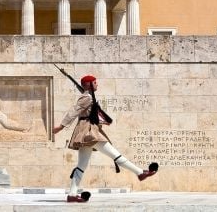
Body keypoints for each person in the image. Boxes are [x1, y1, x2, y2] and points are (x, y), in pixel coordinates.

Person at [53, 74, 157, 203]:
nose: (97, 85)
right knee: (116, 155)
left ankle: (72, 195)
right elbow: (74, 111)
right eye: (95, 83)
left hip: (87, 132)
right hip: (89, 132)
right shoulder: (86, 97)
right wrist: (61, 126)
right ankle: (140, 173)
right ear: (89, 85)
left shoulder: (89, 96)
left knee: (81, 166)